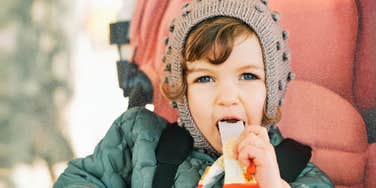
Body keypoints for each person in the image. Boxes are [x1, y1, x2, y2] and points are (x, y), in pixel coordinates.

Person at [54, 0, 334, 187]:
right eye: (205, 78)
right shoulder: (139, 138)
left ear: (271, 91)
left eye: (248, 76)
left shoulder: (299, 174)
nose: (227, 96)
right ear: (182, 90)